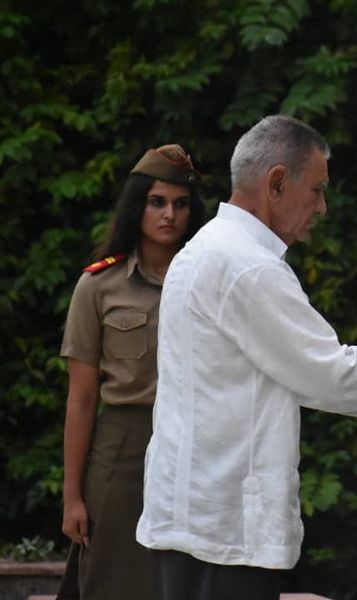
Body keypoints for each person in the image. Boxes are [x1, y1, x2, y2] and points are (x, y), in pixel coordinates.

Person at [135, 115, 357, 600]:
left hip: (200, 518)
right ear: (277, 182)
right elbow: (330, 372)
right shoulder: (246, 266)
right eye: (317, 190)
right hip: (225, 528)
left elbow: (300, 376)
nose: (323, 207)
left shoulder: (207, 248)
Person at [57, 144, 203, 600]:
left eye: (180, 204)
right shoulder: (99, 286)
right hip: (122, 450)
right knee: (114, 579)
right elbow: (82, 398)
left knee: (185, 580)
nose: (169, 215)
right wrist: (72, 497)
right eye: (156, 202)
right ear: (136, 206)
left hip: (194, 446)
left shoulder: (208, 279)